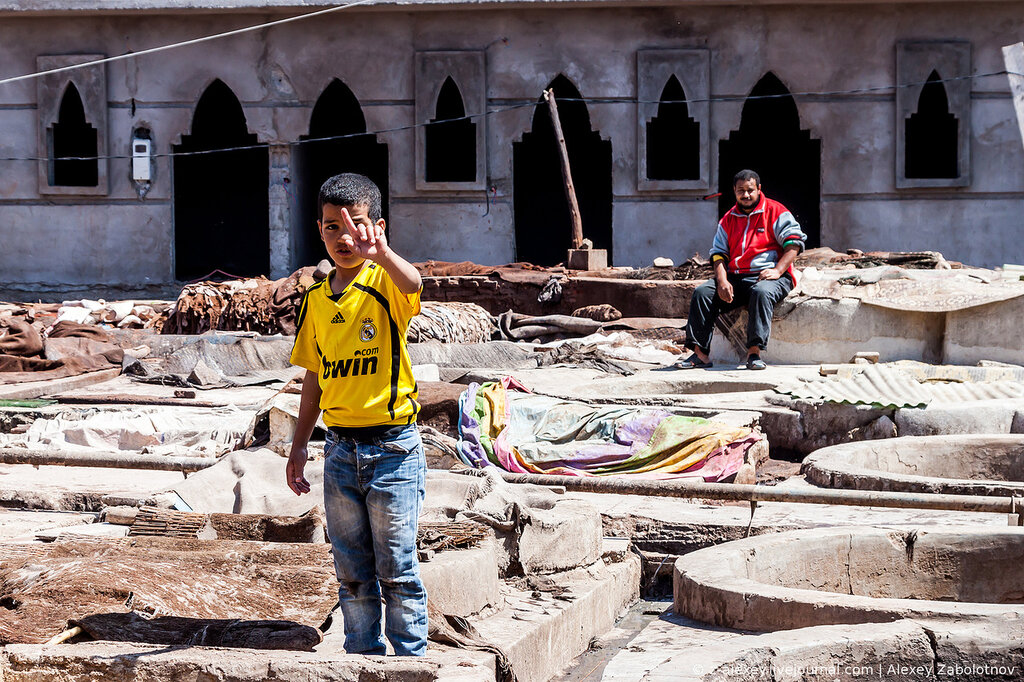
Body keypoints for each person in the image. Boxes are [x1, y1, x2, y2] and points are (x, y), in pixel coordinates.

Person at [285, 173, 427, 656]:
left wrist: (382, 254)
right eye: (331, 227)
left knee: (397, 566)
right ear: (319, 231)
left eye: (356, 226)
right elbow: (312, 380)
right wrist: (299, 445)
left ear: (377, 227)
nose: (344, 238)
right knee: (351, 569)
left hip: (393, 450)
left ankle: (410, 662)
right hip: (341, 451)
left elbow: (416, 282)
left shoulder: (385, 281)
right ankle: (362, 655)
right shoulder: (316, 301)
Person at [678, 169, 806, 370]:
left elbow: (794, 243)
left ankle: (754, 353)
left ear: (759, 189)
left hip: (772, 277)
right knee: (702, 293)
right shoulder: (728, 219)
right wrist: (722, 282)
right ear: (734, 191)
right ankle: (699, 354)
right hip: (737, 277)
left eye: (750, 190)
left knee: (761, 292)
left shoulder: (776, 211)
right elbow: (719, 254)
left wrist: (778, 271)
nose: (746, 195)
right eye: (741, 191)